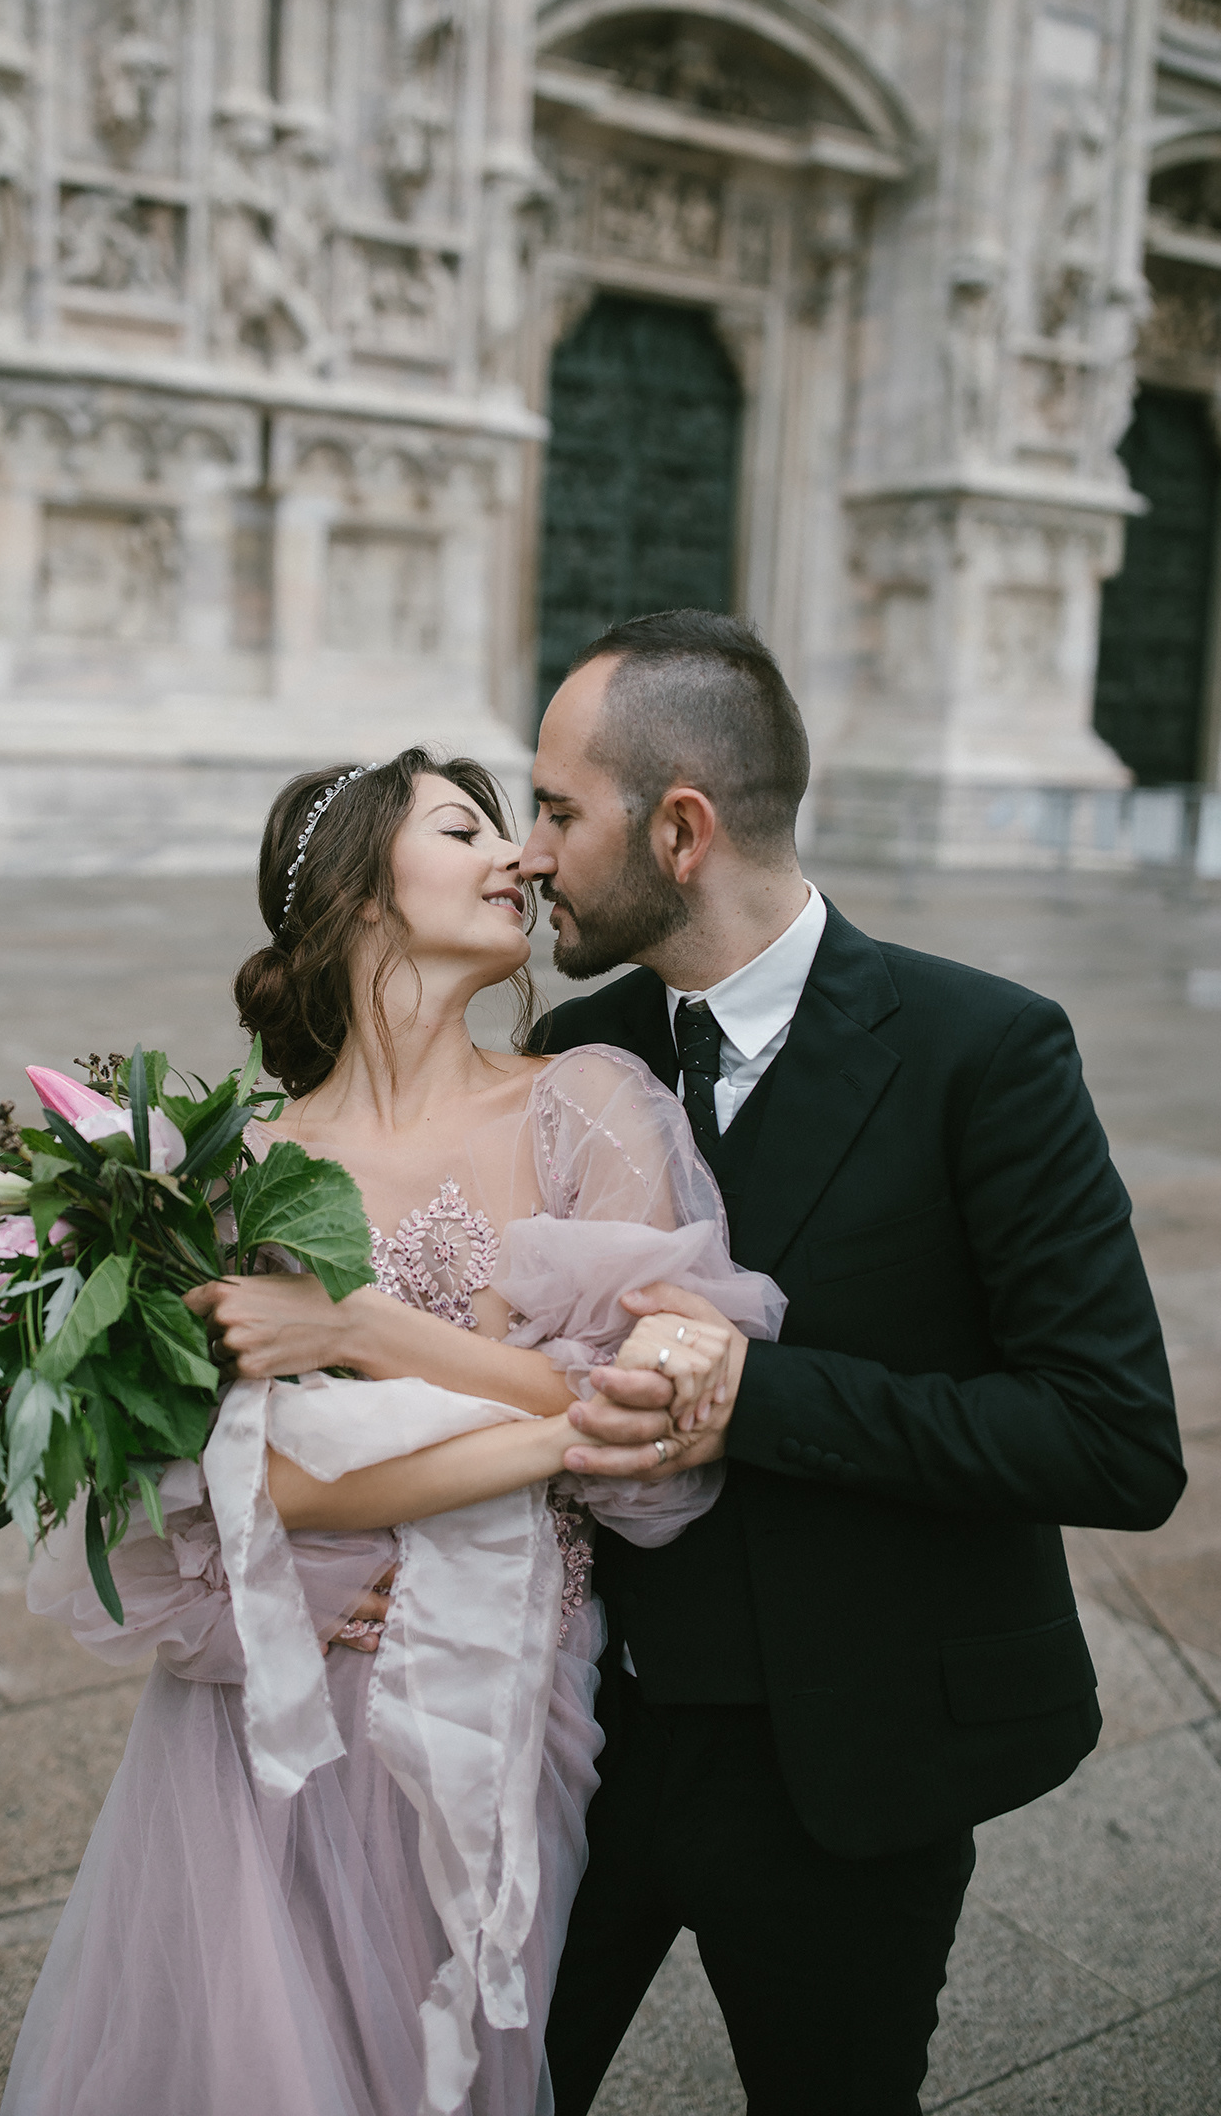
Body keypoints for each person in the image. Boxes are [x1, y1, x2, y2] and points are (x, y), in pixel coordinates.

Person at [0, 746, 782, 2116]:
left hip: (503, 1679)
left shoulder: (584, 1102)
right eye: (469, 828)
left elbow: (662, 1433)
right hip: (277, 1686)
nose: (519, 859)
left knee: (445, 2060)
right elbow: (253, 1485)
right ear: (365, 893)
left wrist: (359, 1333)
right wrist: (547, 1426)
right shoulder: (237, 1168)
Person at [521, 608, 1187, 2116]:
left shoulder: (986, 1051)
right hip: (584, 1743)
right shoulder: (583, 1047)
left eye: (559, 809)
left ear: (679, 830)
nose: (531, 851)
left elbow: (1113, 1440)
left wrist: (754, 1398)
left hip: (848, 1773)